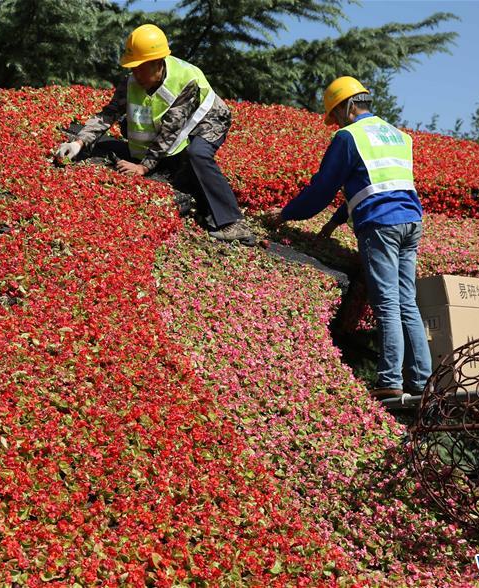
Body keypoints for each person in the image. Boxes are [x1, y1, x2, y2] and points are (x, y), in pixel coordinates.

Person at [270, 76, 432, 400]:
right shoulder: (399, 136)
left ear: (346, 107)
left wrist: (286, 214)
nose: (336, 123)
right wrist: (335, 221)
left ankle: (390, 379)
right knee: (406, 302)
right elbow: (377, 184)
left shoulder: (349, 137)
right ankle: (422, 381)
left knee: (387, 303)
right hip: (411, 222)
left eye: (335, 115)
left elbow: (322, 187)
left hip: (380, 226)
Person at [55, 24, 255, 246]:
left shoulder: (184, 81)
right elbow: (109, 113)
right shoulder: (132, 81)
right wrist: (79, 143)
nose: (136, 73)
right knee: (130, 132)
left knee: (196, 154)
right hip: (170, 128)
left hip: (209, 120)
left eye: (141, 67)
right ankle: (182, 177)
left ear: (158, 63)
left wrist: (143, 168)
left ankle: (234, 223)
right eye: (133, 67)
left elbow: (171, 131)